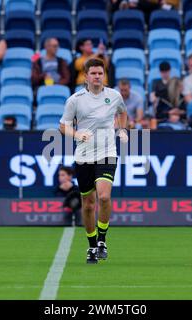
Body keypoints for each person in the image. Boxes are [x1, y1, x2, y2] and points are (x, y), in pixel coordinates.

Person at [59, 58, 128, 264]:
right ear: (86, 76)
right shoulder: (75, 100)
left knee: (104, 197)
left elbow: (122, 112)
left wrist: (122, 129)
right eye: (93, 73)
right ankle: (91, 246)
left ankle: (102, 240)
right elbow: (63, 126)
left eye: (100, 73)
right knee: (88, 205)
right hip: (84, 155)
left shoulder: (114, 96)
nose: (97, 76)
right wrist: (76, 134)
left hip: (107, 152)